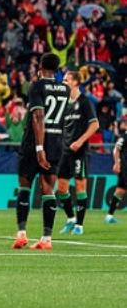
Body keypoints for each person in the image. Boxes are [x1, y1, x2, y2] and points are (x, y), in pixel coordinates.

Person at [12, 53, 69, 250]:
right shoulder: (65, 89)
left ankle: (21, 234)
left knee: (25, 185)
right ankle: (46, 239)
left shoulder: (37, 86)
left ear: (41, 66)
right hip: (56, 142)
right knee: (48, 189)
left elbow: (38, 116)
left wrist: (38, 148)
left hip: (35, 144)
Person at [55, 71, 99, 235]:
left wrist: (80, 141)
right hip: (64, 152)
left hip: (79, 152)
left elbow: (95, 125)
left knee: (80, 187)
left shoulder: (85, 102)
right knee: (61, 189)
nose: (63, 83)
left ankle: (79, 225)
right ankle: (71, 218)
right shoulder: (64, 103)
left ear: (75, 82)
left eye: (66, 80)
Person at [106, 116, 127, 224]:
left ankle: (109, 216)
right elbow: (116, 150)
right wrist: (117, 163)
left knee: (120, 191)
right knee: (121, 190)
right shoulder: (124, 137)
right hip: (125, 167)